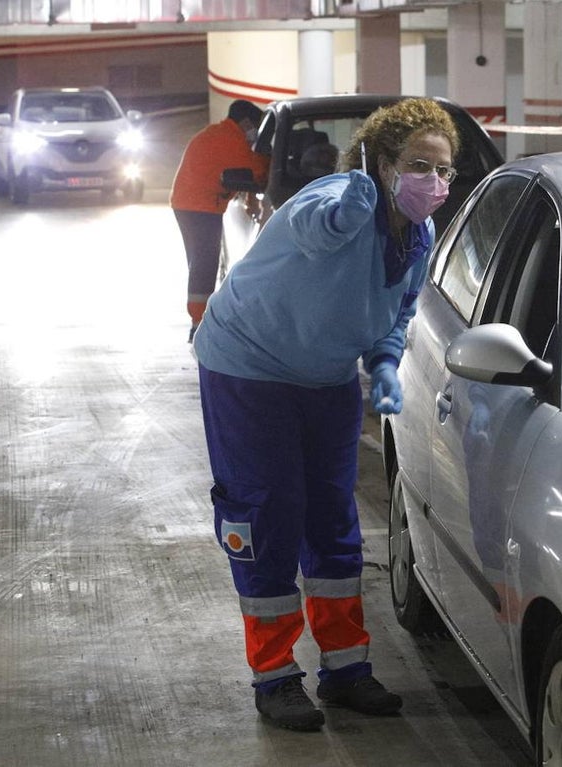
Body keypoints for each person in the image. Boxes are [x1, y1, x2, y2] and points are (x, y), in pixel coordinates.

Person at [192, 98, 460, 731]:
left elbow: (397, 310)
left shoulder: (414, 236)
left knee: (333, 518)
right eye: (419, 164)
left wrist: (388, 361)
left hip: (327, 377)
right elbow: (313, 229)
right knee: (267, 512)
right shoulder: (333, 199)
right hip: (249, 369)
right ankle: (276, 677)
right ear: (382, 161)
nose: (435, 181)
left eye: (444, 170)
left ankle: (345, 669)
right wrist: (353, 202)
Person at [171, 99, 270, 342]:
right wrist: (270, 155)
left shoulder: (220, 133)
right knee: (205, 263)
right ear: (246, 122)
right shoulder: (231, 140)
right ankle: (198, 324)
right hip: (199, 206)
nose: (254, 133)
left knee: (200, 262)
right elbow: (258, 171)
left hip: (190, 203)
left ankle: (200, 319)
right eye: (255, 126)